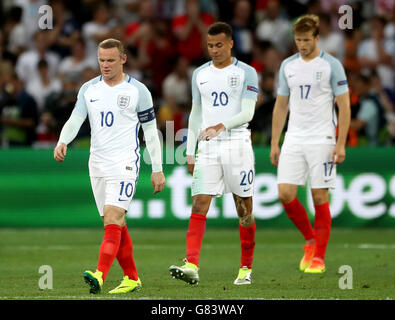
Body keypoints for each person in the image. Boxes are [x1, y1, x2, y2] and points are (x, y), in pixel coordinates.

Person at [53, 38, 165, 294]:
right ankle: (132, 278)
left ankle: (99, 273)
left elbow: (150, 132)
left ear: (123, 59)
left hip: (125, 162)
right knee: (114, 223)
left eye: (111, 60)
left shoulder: (138, 91)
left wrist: (157, 168)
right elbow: (75, 119)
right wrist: (63, 141)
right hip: (97, 163)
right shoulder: (88, 89)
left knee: (114, 217)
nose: (105, 65)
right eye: (101, 60)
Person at [169, 22, 258, 285]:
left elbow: (248, 113)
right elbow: (197, 112)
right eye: (210, 45)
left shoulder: (247, 72)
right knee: (199, 204)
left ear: (231, 43)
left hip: (237, 143)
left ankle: (245, 268)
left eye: (219, 45)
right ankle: (192, 265)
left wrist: (222, 125)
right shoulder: (200, 74)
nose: (215, 50)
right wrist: (190, 150)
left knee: (244, 209)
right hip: (208, 146)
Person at [270, 15, 350, 274]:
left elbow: (345, 105)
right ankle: (310, 239)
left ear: (317, 38)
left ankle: (320, 258)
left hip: (322, 138)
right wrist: (275, 141)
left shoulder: (331, 65)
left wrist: (340, 143)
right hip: (294, 137)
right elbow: (281, 105)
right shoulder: (288, 66)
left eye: (306, 40)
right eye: (298, 40)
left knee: (319, 195)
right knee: (285, 194)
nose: (302, 45)